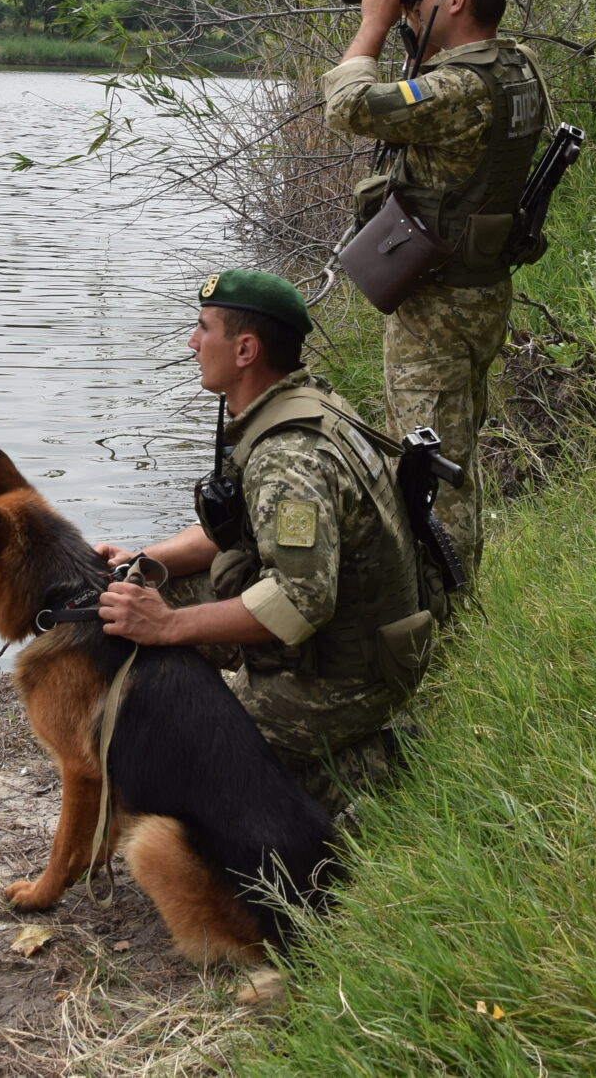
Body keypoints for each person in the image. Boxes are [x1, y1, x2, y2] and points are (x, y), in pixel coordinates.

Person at [92, 270, 434, 810]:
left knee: (187, 778)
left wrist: (169, 625)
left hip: (344, 674)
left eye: (204, 329)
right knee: (134, 605)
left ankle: (378, 763)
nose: (192, 342)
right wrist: (143, 560)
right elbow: (240, 528)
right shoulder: (294, 403)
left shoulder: (288, 458)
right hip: (346, 637)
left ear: (246, 349)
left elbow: (301, 602)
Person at [321, 0, 546, 582]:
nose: (410, 4)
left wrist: (374, 22)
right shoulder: (517, 67)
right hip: (481, 289)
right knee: (453, 451)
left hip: (438, 304)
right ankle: (446, 600)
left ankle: (443, 618)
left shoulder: (458, 88)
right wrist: (411, 25)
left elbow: (347, 107)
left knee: (430, 468)